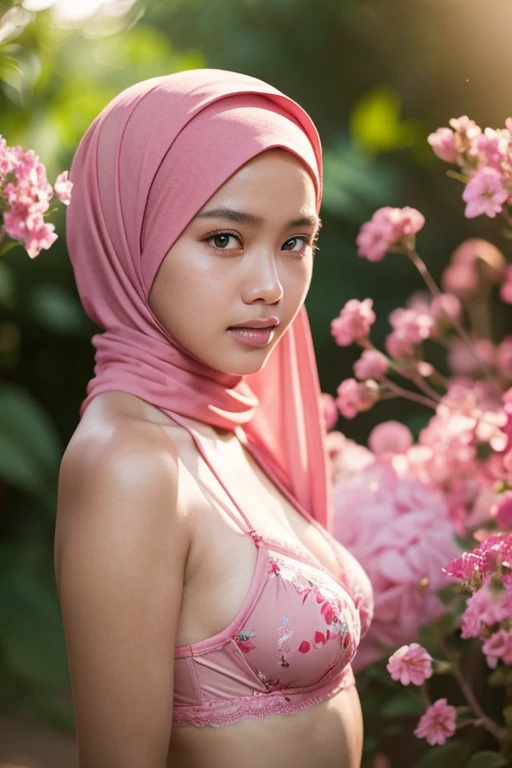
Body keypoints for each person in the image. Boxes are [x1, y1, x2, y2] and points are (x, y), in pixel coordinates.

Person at [54, 68, 373, 768]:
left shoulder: (228, 424)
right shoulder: (129, 462)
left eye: (296, 242)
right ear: (132, 234)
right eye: (224, 238)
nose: (269, 288)